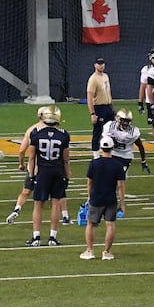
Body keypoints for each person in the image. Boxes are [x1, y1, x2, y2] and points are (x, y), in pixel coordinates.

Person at [26, 106, 71, 247]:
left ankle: (36, 237)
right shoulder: (63, 135)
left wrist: (32, 175)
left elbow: (32, 158)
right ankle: (52, 237)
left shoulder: (36, 133)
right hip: (57, 171)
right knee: (55, 204)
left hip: (43, 172)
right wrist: (67, 176)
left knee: (38, 204)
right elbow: (66, 159)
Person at [80, 134, 127, 260]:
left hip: (96, 198)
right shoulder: (117, 165)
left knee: (90, 224)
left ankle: (90, 250)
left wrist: (89, 196)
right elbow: (121, 186)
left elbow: (90, 182)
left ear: (101, 147)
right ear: (112, 148)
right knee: (110, 225)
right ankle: (106, 252)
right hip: (110, 198)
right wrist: (122, 203)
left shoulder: (94, 163)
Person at [103, 107, 153, 176]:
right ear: (118, 119)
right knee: (108, 176)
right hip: (112, 154)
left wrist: (143, 160)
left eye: (127, 121)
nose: (125, 123)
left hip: (125, 156)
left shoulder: (133, 133)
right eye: (123, 120)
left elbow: (140, 146)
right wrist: (111, 143)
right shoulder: (110, 126)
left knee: (120, 178)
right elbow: (102, 141)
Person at [87, 57, 114, 151]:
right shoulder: (93, 79)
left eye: (102, 63)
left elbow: (108, 93)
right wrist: (93, 114)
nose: (101, 65)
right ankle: (96, 153)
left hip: (108, 106)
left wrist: (112, 106)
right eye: (99, 64)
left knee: (112, 129)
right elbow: (89, 97)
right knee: (98, 131)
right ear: (95, 65)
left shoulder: (105, 76)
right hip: (99, 107)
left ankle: (109, 149)